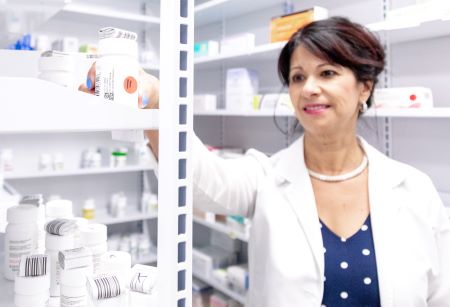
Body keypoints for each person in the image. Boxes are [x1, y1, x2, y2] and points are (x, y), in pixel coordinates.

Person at [80, 17, 450, 307]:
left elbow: (440, 296)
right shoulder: (266, 176)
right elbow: (197, 180)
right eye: (297, 77)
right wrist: (157, 102)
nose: (308, 88)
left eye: (328, 73)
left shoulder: (414, 189)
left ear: (364, 87)